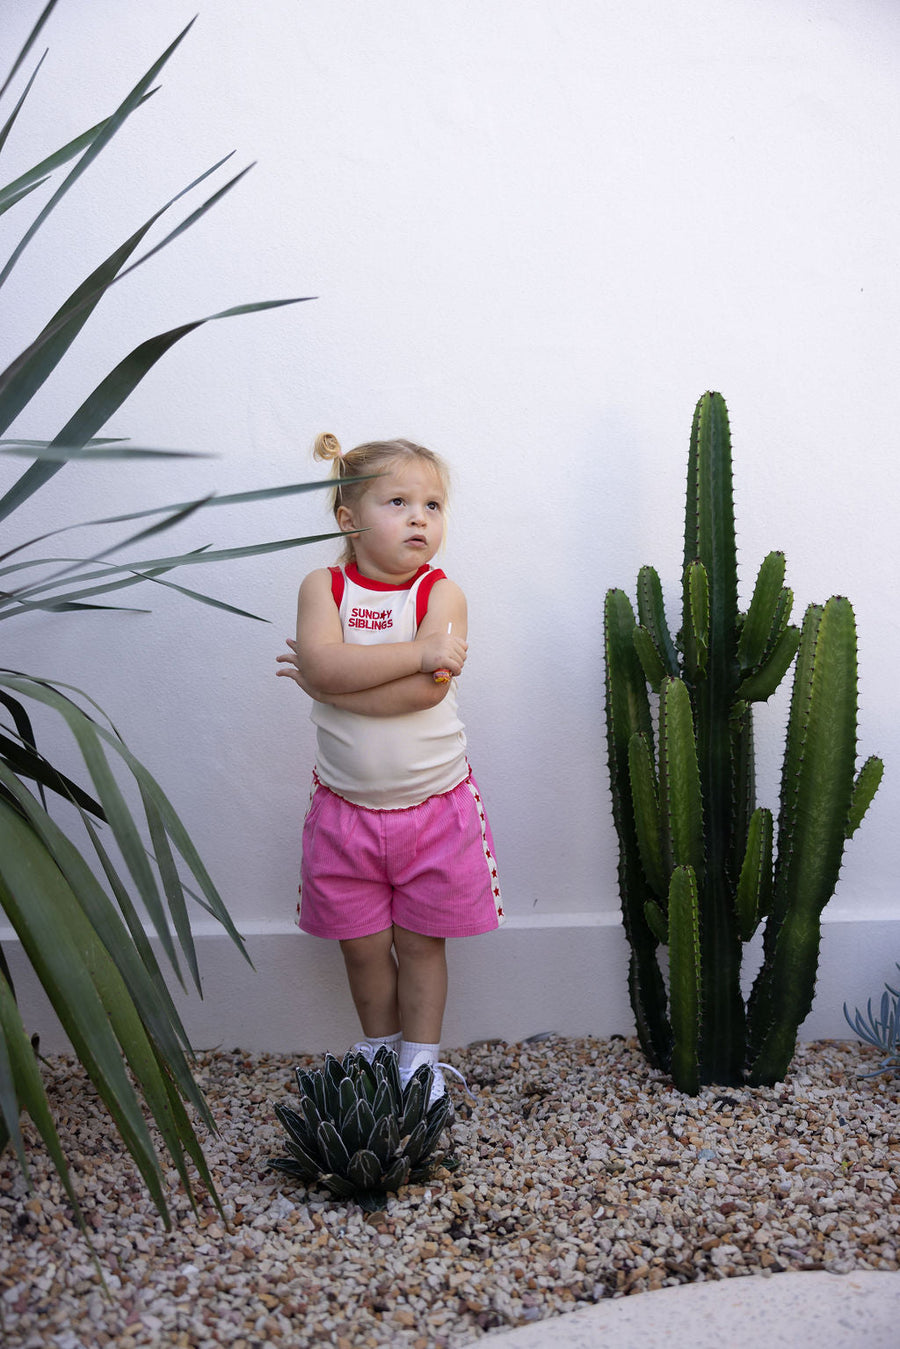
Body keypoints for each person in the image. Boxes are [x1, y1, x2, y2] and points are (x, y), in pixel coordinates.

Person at [276, 433, 503, 1103]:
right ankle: (378, 1052)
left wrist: (329, 682)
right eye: (398, 500)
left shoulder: (442, 595)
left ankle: (421, 1062)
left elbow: (426, 690)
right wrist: (399, 656)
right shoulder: (325, 587)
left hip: (436, 808)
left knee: (422, 940)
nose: (419, 517)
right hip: (346, 811)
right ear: (348, 517)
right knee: (363, 944)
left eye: (432, 504)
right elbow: (322, 661)